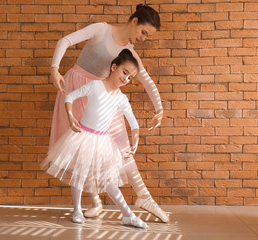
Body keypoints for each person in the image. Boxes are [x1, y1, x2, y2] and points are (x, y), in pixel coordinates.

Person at [49, 4, 169, 222]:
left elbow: (147, 81)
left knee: (123, 148)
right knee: (83, 151)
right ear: (134, 21)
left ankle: (144, 197)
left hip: (105, 97)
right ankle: (95, 201)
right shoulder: (101, 30)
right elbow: (65, 40)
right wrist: (54, 69)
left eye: (147, 36)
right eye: (143, 32)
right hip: (78, 89)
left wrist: (159, 109)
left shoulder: (129, 54)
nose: (143, 38)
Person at [42, 50, 148, 228]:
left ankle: (128, 214)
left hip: (103, 142)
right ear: (114, 67)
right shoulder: (95, 86)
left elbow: (134, 123)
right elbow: (69, 96)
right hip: (83, 136)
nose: (126, 79)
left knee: (109, 181)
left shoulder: (121, 98)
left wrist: (135, 143)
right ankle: (77, 210)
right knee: (79, 174)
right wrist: (70, 117)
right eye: (124, 72)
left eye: (130, 77)